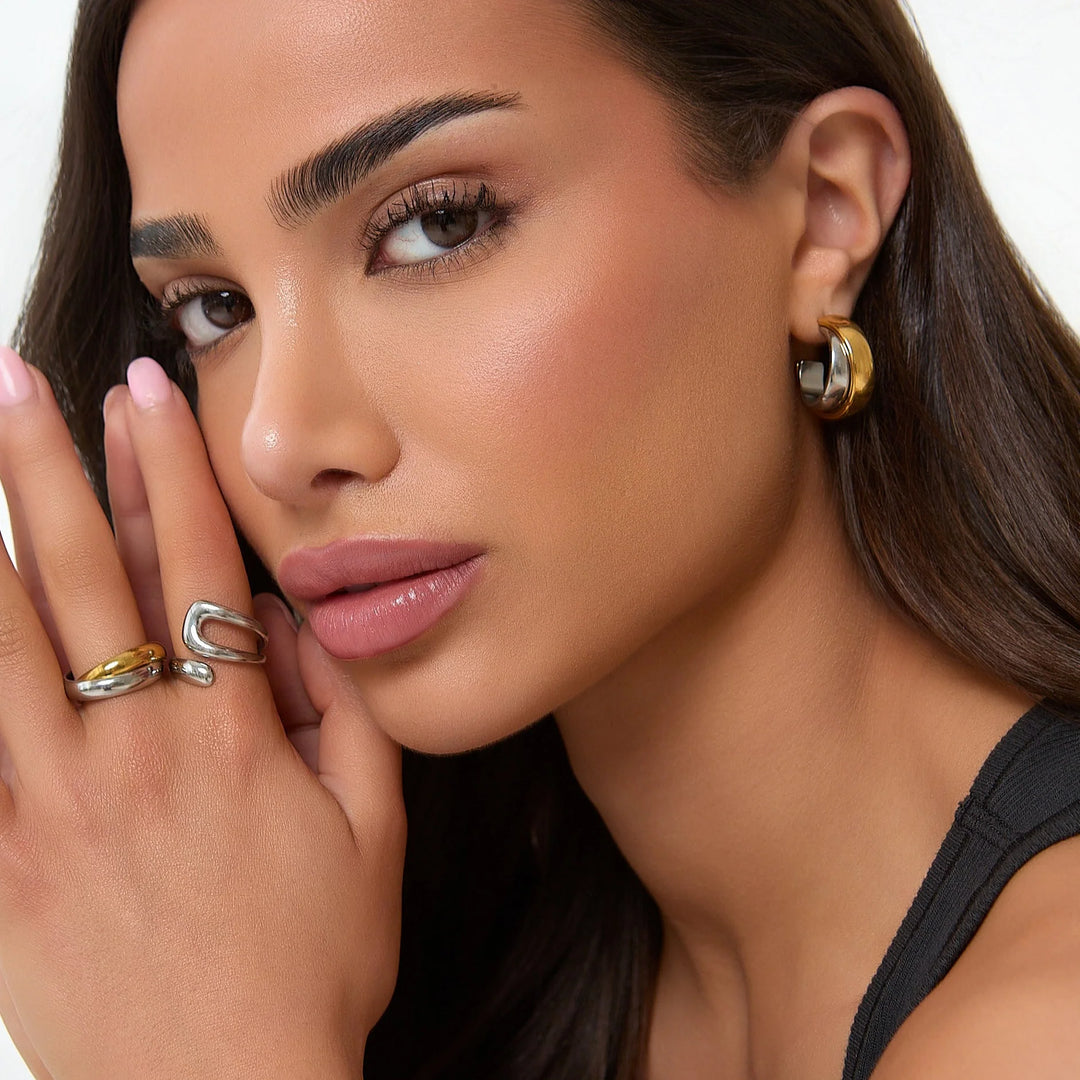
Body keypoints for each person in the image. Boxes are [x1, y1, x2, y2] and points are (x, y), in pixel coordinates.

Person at [0, 0, 1078, 1077]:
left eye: (438, 224)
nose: (275, 442)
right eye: (213, 310)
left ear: (823, 213)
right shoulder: (432, 958)